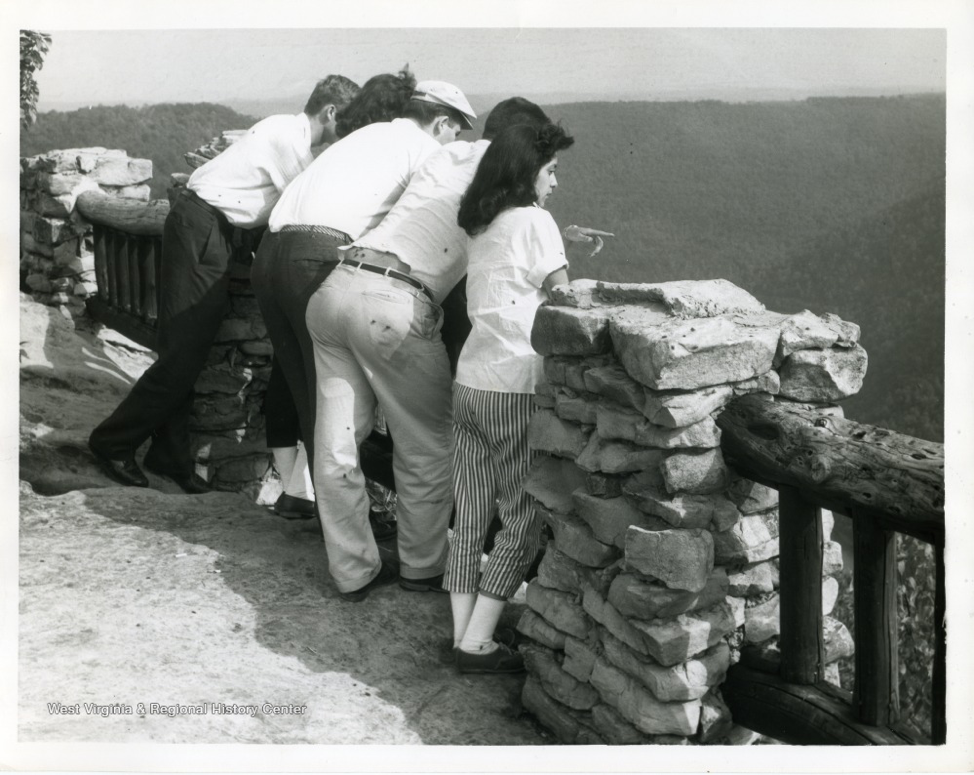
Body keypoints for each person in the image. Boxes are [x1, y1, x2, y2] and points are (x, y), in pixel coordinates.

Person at [301, 98, 553, 605]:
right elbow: (511, 251)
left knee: (337, 447)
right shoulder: (502, 179)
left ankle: (353, 572)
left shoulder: (444, 156)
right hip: (394, 304)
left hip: (335, 290)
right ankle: (421, 568)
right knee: (428, 446)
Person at [88, 75, 359, 494]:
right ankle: (112, 442)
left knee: (187, 351)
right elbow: (307, 202)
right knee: (182, 353)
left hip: (209, 230)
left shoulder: (282, 131)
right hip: (201, 226)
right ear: (331, 112)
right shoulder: (289, 139)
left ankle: (170, 457)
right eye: (349, 121)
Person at [256, 78, 475, 564]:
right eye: (454, 133)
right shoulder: (425, 152)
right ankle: (349, 542)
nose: (453, 144)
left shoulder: (368, 135)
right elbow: (416, 235)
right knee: (334, 411)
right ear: (441, 122)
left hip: (270, 254)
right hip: (318, 255)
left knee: (311, 395)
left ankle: (321, 519)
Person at [446, 122, 580, 674]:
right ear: (529, 172)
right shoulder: (535, 220)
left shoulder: (485, 222)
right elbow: (566, 296)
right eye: (550, 170)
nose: (556, 180)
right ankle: (478, 641)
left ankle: (459, 631)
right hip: (516, 384)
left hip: (471, 381)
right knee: (523, 516)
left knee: (472, 514)